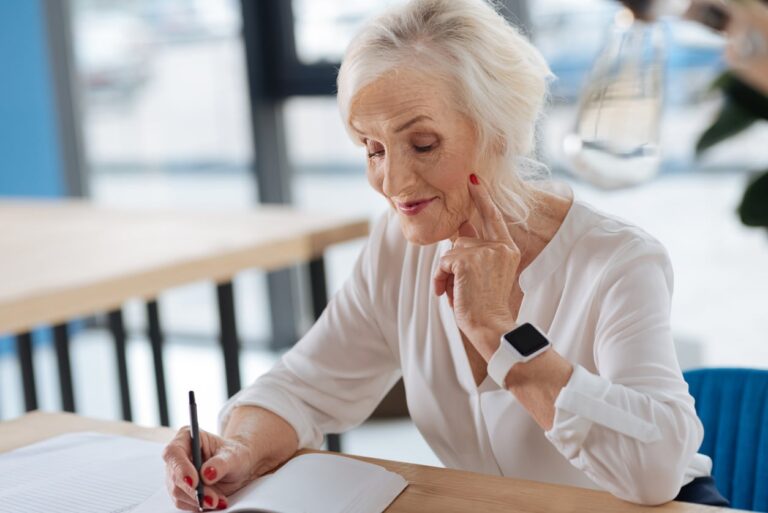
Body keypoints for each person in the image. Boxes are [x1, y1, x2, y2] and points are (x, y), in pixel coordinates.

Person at [161, 0, 728, 510]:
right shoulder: (398, 245)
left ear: (498, 130)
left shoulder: (619, 261)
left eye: (423, 144)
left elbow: (655, 472)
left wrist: (501, 333)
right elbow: (303, 387)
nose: (394, 181)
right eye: (373, 148)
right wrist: (236, 450)